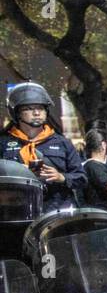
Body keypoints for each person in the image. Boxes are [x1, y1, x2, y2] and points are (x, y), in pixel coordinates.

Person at [2, 82, 84, 210]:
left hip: (57, 211)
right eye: (29, 108)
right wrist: (17, 172)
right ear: (16, 113)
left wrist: (61, 177)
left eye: (41, 108)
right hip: (16, 211)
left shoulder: (62, 143)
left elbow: (81, 178)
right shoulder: (3, 143)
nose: (36, 113)